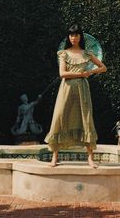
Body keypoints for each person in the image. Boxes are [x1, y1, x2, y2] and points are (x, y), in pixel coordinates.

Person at [44, 24, 107, 168]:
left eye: (76, 35)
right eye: (71, 35)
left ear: (80, 37)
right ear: (68, 37)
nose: (74, 38)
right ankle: (54, 157)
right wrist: (80, 74)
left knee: (86, 118)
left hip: (82, 89)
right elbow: (62, 74)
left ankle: (90, 158)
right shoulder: (64, 53)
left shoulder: (87, 54)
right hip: (66, 89)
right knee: (60, 117)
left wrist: (90, 72)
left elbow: (103, 68)